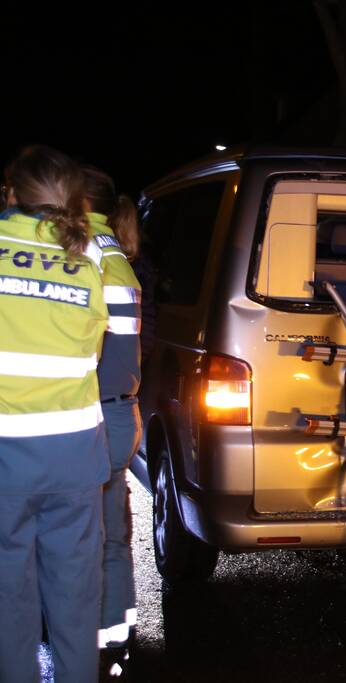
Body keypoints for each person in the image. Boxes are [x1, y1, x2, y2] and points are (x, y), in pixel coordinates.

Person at [0, 145, 109, 683]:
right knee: (74, 596)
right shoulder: (86, 259)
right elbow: (91, 353)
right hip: (74, 452)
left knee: (7, 596)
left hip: (6, 453)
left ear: (12, 193)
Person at [82, 165, 143, 680]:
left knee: (75, 535)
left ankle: (85, 644)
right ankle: (118, 640)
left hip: (92, 411)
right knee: (114, 537)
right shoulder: (118, 254)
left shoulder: (81, 252)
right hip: (122, 411)